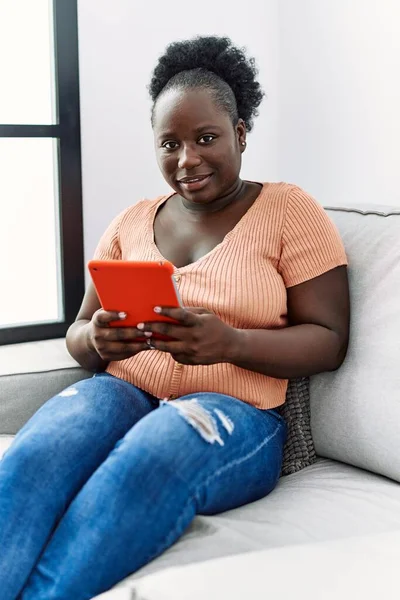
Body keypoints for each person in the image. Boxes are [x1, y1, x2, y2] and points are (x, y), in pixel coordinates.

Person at [0, 36, 349, 599]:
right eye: (170, 143)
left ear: (240, 132)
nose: (187, 160)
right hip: (124, 392)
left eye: (206, 138)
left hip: (237, 412)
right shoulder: (131, 220)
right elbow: (79, 333)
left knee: (151, 456)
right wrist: (97, 338)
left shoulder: (289, 210)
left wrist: (229, 342)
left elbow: (329, 340)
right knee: (39, 452)